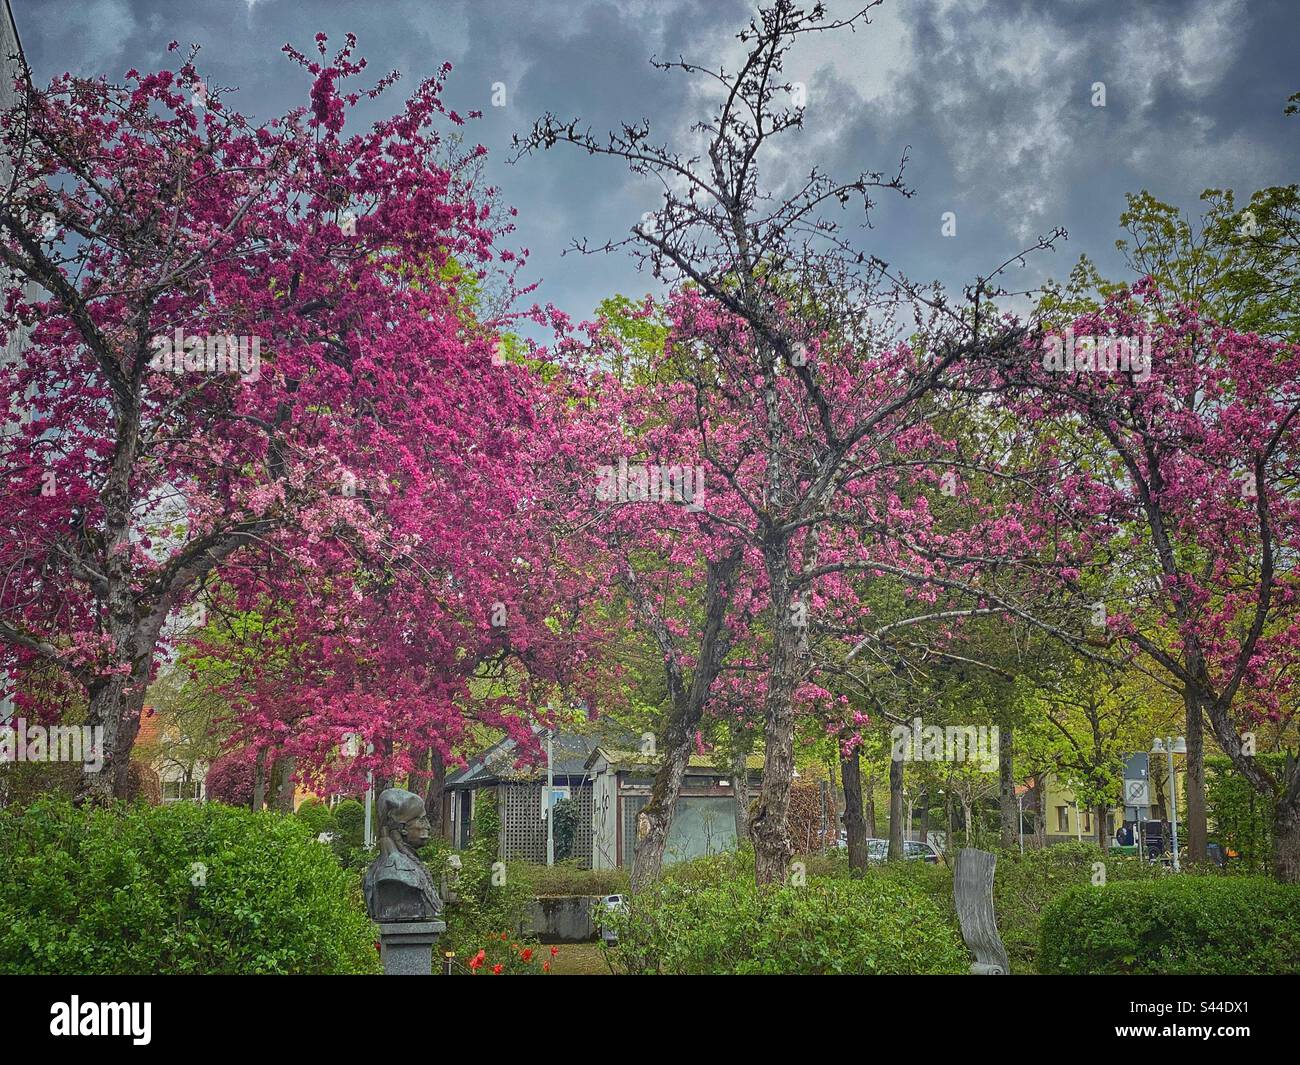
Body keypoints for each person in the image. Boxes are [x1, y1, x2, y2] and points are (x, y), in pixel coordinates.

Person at [363, 788, 443, 921]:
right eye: (421, 820)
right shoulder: (394, 871)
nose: (428, 826)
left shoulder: (406, 863)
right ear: (403, 828)